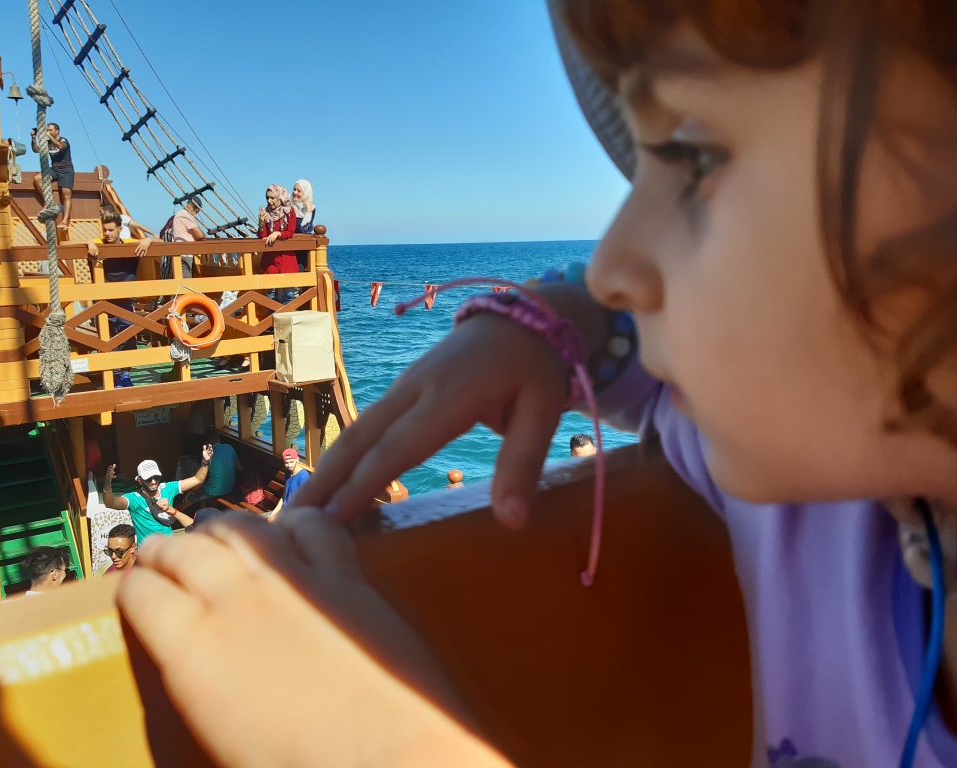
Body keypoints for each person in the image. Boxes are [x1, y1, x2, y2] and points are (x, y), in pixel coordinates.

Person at [117, 2, 957, 766]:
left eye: (695, 157)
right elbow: (629, 350)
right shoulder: (809, 487)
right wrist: (549, 325)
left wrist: (390, 746)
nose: (613, 259)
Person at [82, 209, 161, 388]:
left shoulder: (129, 244)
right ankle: (115, 376)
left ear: (120, 229)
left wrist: (148, 240)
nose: (107, 234)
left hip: (125, 301)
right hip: (102, 302)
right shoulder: (98, 243)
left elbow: (161, 241)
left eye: (111, 230)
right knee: (107, 340)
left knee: (128, 337)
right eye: (105, 230)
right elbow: (67, 243)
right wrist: (88, 242)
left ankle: (125, 374)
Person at [102, 446, 213, 543]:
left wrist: (205, 462)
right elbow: (110, 503)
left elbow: (198, 479)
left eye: (156, 477)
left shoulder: (167, 488)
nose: (153, 481)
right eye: (148, 479)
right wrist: (107, 483)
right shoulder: (134, 498)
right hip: (148, 554)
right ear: (140, 480)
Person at [258, 184, 298, 303]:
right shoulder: (266, 212)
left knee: (289, 294)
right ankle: (272, 316)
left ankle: (287, 315)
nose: (269, 201)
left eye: (272, 198)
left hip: (287, 258)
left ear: (280, 197)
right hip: (270, 259)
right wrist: (261, 223)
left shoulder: (289, 211)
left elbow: (290, 232)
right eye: (267, 198)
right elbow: (262, 236)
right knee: (270, 294)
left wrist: (278, 233)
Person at [30, 122, 74, 230]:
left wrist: (48, 136)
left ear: (57, 131)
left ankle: (65, 221)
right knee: (37, 178)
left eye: (50, 130)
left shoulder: (64, 140)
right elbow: (36, 150)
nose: (48, 132)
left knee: (66, 193)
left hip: (66, 170)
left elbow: (60, 146)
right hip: (54, 169)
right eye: (47, 130)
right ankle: (50, 202)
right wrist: (34, 138)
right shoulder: (47, 143)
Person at [187, 428, 242, 503]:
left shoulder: (207, 456)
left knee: (188, 499)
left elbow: (201, 480)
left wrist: (190, 492)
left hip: (214, 490)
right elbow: (240, 468)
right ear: (219, 438)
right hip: (229, 488)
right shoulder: (230, 447)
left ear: (207, 442)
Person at [161, 196, 206, 281]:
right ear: (189, 204)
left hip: (182, 253)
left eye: (198, 208)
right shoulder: (185, 215)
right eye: (195, 207)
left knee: (182, 280)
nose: (196, 210)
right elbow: (200, 235)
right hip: (184, 254)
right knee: (186, 282)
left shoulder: (182, 214)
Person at [264, 448, 310, 522]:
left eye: (291, 462)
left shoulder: (303, 476)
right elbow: (284, 497)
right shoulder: (288, 473)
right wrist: (273, 514)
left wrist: (277, 519)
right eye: (286, 463)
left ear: (297, 459)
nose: (289, 465)